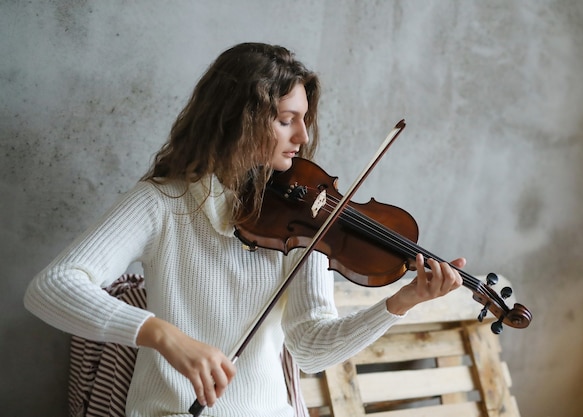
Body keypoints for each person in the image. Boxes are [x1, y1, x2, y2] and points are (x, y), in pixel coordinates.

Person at [24, 42, 465, 417]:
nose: (303, 137)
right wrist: (163, 335)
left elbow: (311, 349)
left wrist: (401, 302)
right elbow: (51, 287)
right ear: (240, 117)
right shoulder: (163, 201)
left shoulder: (305, 218)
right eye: (286, 119)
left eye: (305, 118)